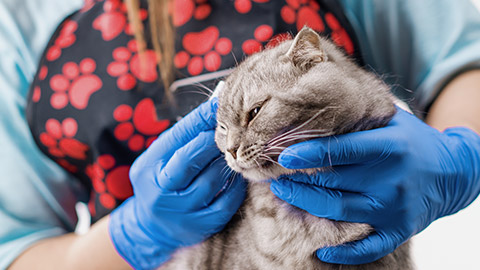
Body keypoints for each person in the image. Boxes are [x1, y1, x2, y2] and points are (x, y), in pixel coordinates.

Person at [2, 0, 480, 269]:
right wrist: (136, 234)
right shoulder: (21, 21)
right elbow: (18, 249)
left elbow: (465, 61)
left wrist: (460, 154)